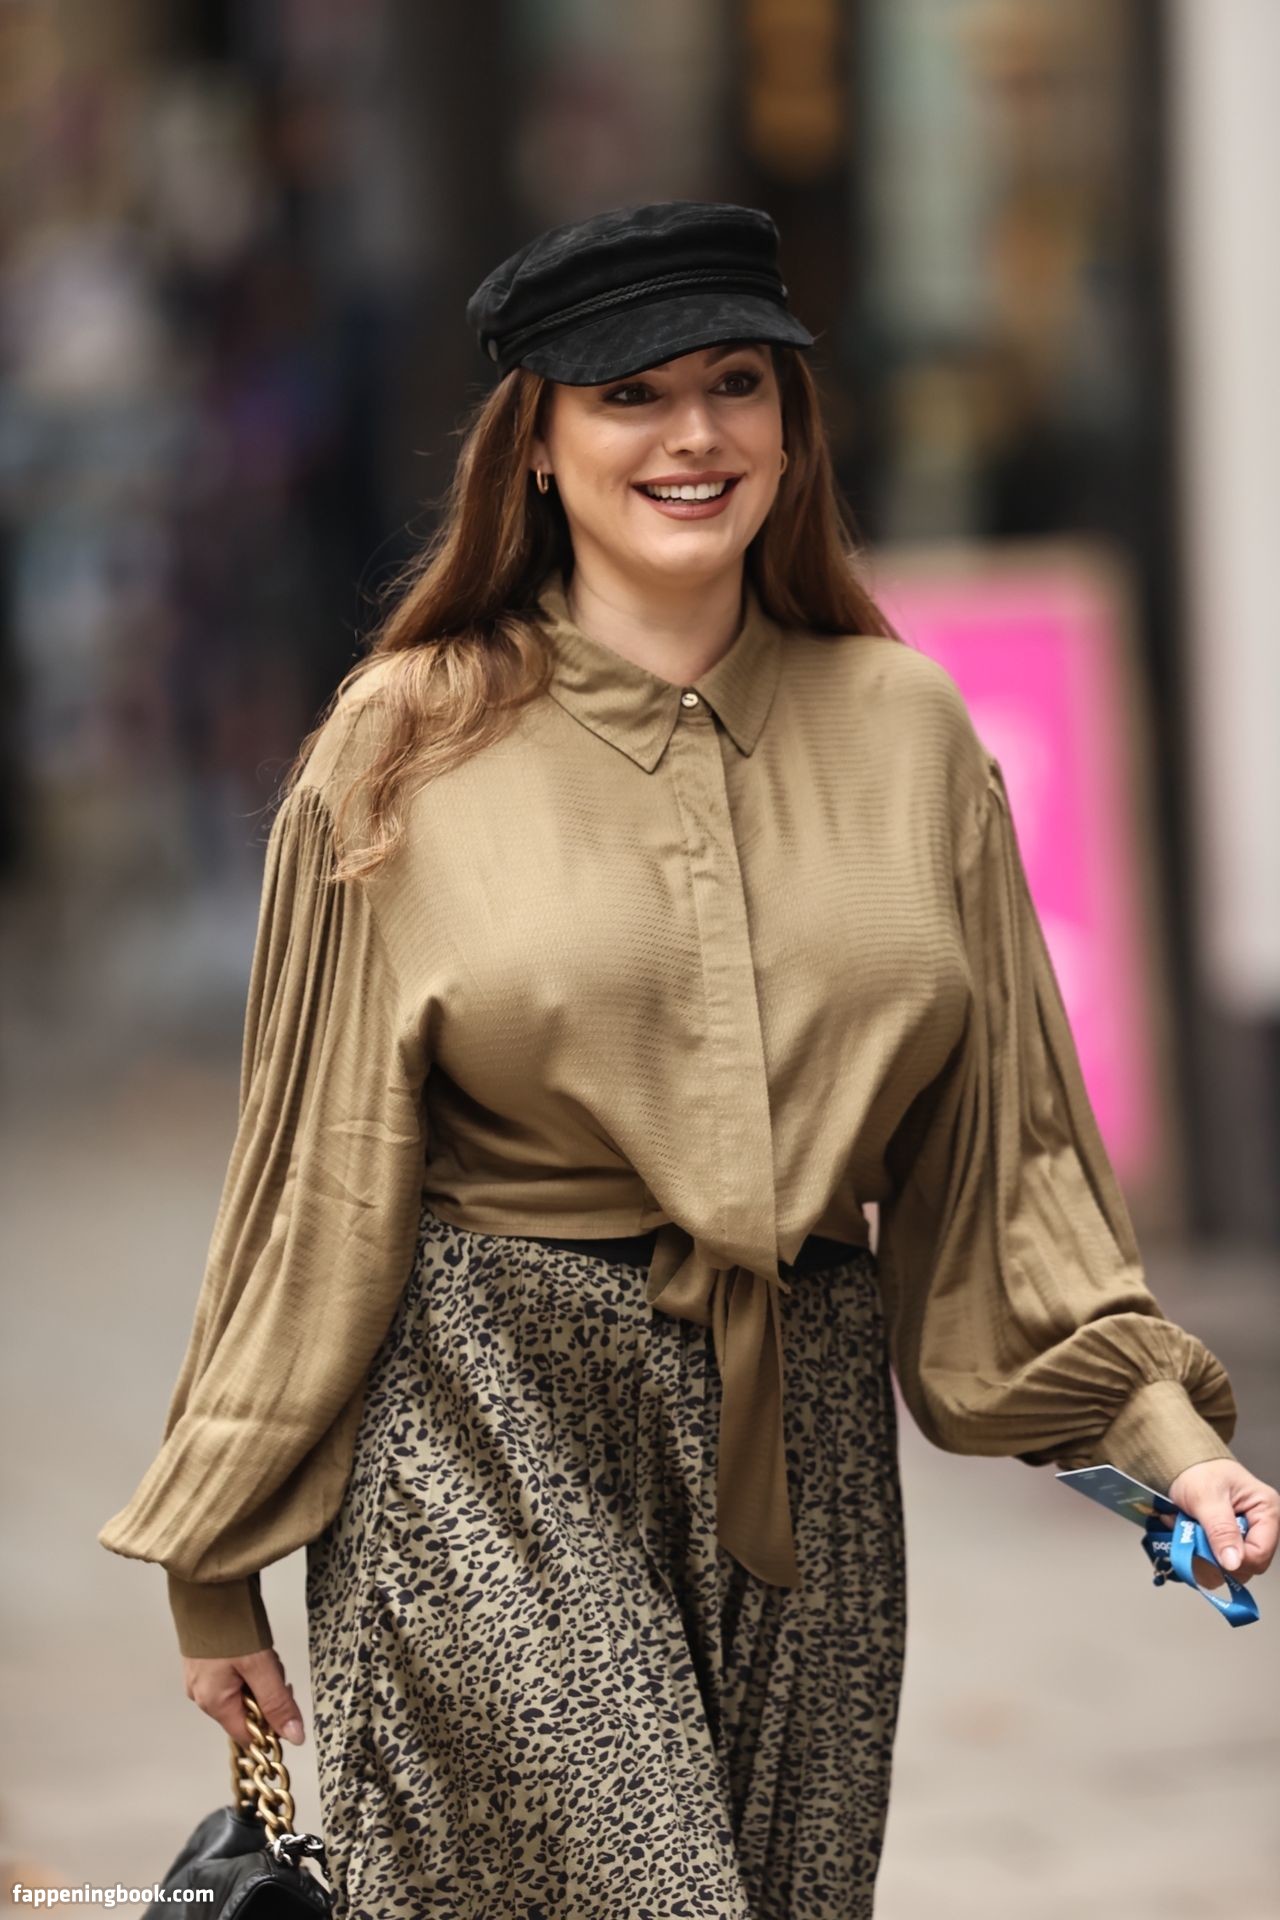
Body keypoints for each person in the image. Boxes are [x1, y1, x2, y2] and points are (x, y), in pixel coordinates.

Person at [98, 201, 1277, 1918]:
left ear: (794, 428)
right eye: (629, 395)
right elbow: (310, 1180)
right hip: (489, 1422)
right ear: (538, 447)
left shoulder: (909, 732)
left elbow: (1002, 1159)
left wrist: (1170, 1442)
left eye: (737, 383)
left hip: (806, 1435)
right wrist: (216, 1556)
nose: (694, 435)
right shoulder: (403, 740)